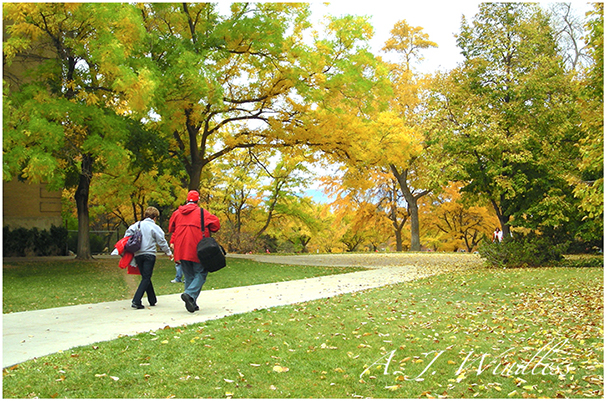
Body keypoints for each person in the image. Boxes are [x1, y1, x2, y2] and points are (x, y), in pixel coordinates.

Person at [169, 190, 220, 313]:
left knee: (189, 275)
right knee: (201, 273)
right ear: (198, 201)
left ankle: (192, 302)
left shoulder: (176, 213)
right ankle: (189, 294)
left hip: (181, 249)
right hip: (197, 248)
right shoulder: (202, 213)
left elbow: (171, 228)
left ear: (187, 200)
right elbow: (216, 226)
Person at [124, 206, 173, 309]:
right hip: (149, 254)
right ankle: (136, 300)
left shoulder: (137, 225)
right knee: (146, 277)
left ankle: (152, 299)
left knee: (145, 276)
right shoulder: (154, 227)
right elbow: (161, 241)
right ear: (155, 217)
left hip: (138, 254)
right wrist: (168, 252)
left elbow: (127, 235)